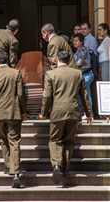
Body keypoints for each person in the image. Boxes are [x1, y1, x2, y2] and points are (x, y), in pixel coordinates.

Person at [38, 51, 94, 184]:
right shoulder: (77, 73)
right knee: (69, 141)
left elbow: (47, 96)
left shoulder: (51, 74)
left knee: (55, 140)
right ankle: (65, 169)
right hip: (74, 112)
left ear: (57, 60)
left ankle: (56, 165)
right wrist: (89, 113)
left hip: (57, 112)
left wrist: (43, 113)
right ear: (69, 61)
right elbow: (84, 95)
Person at [0, 50, 28, 188]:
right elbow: (21, 93)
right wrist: (24, 111)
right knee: (15, 141)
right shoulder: (16, 73)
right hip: (14, 112)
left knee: (2, 139)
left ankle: (8, 165)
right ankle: (16, 172)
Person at [73, 33, 94, 118]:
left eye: (76, 40)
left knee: (86, 94)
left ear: (81, 41)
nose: (74, 42)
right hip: (81, 75)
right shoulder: (78, 50)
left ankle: (88, 113)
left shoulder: (83, 50)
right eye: (73, 40)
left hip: (86, 74)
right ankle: (83, 112)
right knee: (80, 94)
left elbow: (79, 63)